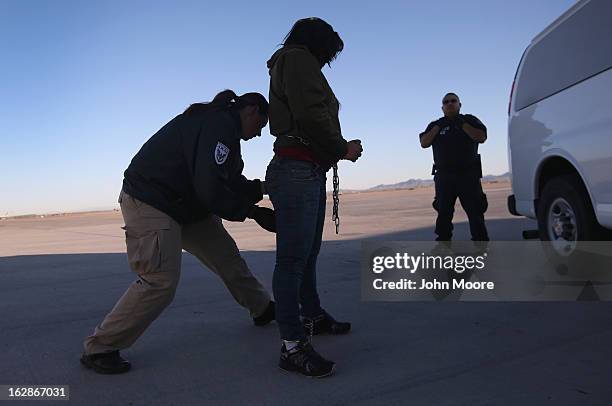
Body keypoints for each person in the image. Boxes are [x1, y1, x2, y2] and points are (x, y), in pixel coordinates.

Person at [81, 90, 277, 374]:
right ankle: (100, 347)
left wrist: (263, 188)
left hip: (186, 207)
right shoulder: (219, 124)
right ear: (251, 111)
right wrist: (253, 212)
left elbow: (228, 180)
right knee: (159, 280)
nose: (259, 134)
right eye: (260, 125)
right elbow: (211, 188)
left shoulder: (225, 133)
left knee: (227, 258)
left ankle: (262, 308)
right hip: (152, 201)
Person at [265, 17, 363, 378]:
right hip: (296, 170)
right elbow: (309, 113)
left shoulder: (293, 61)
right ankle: (292, 345)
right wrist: (342, 148)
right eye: (327, 55)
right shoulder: (298, 58)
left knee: (306, 255)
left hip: (305, 169)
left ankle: (312, 317)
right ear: (317, 44)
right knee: (292, 260)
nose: (325, 63)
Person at [419, 92, 489, 242]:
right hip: (444, 177)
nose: (450, 104)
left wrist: (461, 124)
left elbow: (481, 137)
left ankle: (481, 246)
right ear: (442, 107)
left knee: (475, 212)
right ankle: (443, 247)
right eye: (446, 102)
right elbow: (424, 142)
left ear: (459, 104)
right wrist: (438, 127)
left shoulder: (469, 120)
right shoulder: (435, 125)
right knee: (443, 213)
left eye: (453, 101)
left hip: (468, 175)